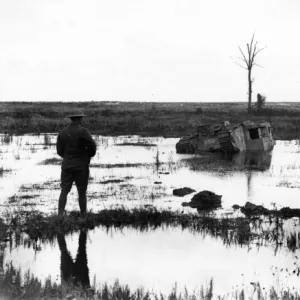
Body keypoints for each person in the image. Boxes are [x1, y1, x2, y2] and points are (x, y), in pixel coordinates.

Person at [56, 110, 97, 215]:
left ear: (71, 118)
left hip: (67, 166)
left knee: (64, 190)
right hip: (81, 167)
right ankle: (83, 214)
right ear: (79, 119)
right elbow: (92, 146)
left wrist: (67, 158)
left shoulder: (62, 132)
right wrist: (88, 156)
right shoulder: (83, 131)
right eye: (81, 118)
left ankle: (60, 215)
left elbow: (59, 151)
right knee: (82, 191)